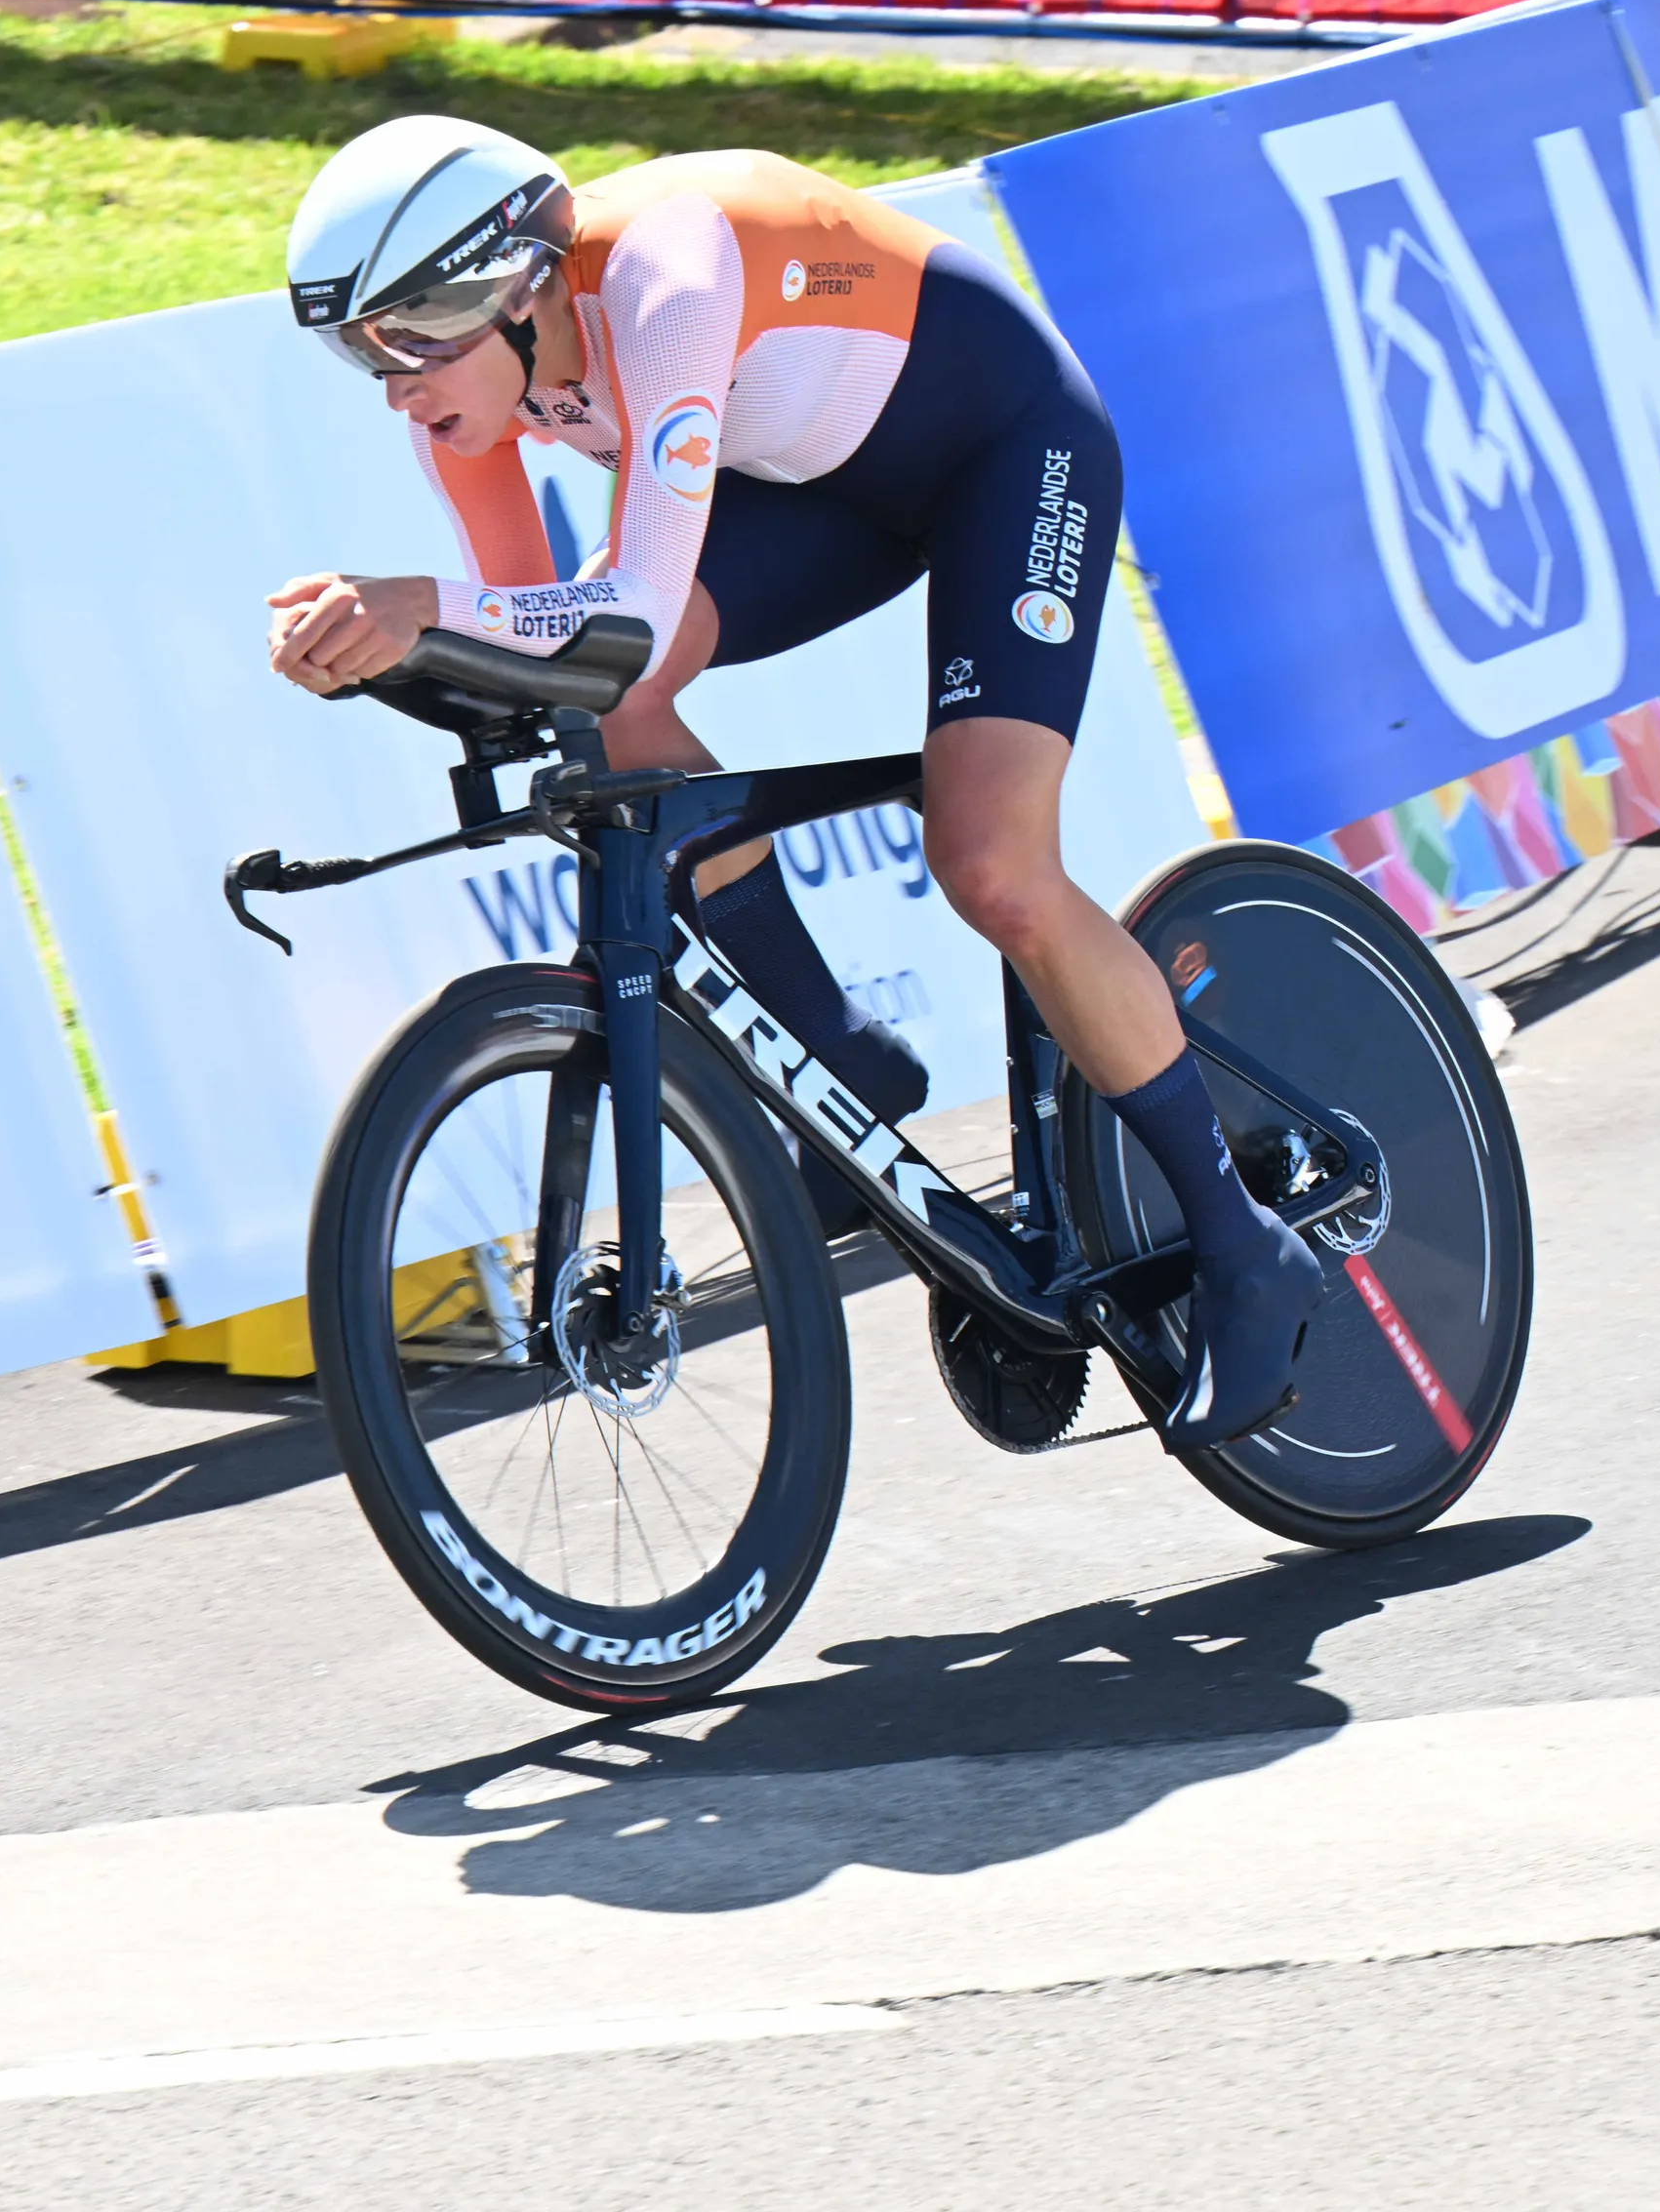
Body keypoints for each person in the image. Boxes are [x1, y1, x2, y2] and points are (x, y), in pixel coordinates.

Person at [261, 115, 1320, 1450]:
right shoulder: (461, 409)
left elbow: (630, 609)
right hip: (815, 483)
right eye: (365, 351)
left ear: (518, 288)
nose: (395, 386)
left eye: (413, 337)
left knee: (992, 865)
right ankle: (835, 1052)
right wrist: (393, 654)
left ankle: (1245, 1245)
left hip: (1004, 447)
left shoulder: (667, 275)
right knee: (612, 712)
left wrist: (420, 605)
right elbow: (557, 659)